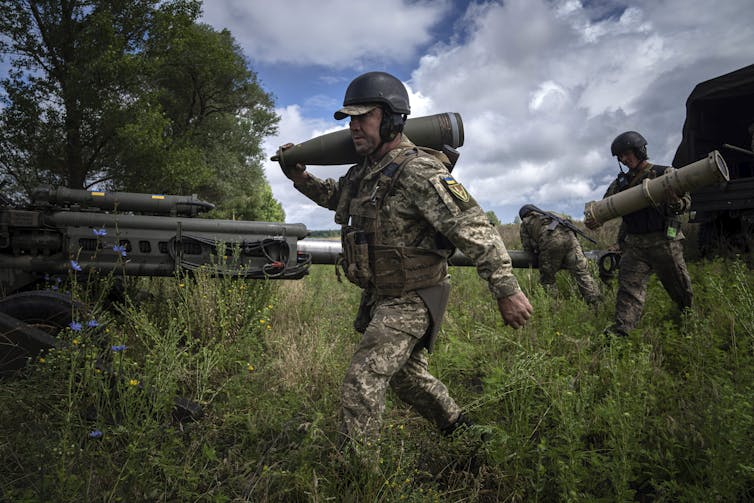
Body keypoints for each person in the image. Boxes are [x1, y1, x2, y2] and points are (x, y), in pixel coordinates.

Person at [276, 71, 532, 451]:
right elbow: (336, 197)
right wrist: (299, 177)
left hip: (414, 296)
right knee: (408, 379)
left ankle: (360, 479)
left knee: (362, 379)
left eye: (364, 117)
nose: (354, 127)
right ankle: (467, 436)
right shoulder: (364, 172)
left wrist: (506, 290)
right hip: (382, 295)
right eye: (351, 119)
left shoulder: (420, 170)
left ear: (393, 118)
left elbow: (475, 229)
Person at [585, 131, 693, 336]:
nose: (624, 160)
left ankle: (688, 321)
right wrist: (594, 219)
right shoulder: (620, 184)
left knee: (680, 288)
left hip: (664, 241)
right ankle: (621, 332)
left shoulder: (665, 173)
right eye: (620, 157)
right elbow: (604, 207)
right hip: (634, 245)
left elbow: (686, 201)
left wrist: (676, 203)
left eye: (627, 154)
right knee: (628, 289)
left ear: (640, 150)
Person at [519, 204, 601, 306]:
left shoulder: (526, 222)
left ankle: (555, 309)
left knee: (548, 280)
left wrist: (537, 251)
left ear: (524, 215)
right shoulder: (552, 214)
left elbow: (527, 247)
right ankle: (597, 305)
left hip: (551, 244)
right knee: (583, 275)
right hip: (572, 241)